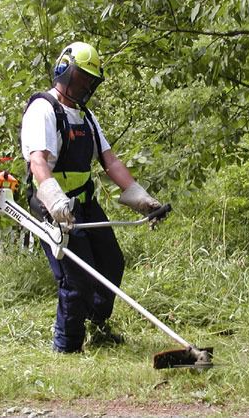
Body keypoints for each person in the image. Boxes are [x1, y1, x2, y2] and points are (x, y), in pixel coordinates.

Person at [20, 41, 162, 353]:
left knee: (111, 263)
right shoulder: (43, 110)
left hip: (84, 203)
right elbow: (39, 162)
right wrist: (55, 201)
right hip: (53, 205)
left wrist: (141, 198)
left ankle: (97, 327)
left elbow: (109, 160)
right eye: (81, 77)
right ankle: (67, 346)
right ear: (64, 70)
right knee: (77, 277)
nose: (85, 85)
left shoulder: (85, 116)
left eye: (90, 80)